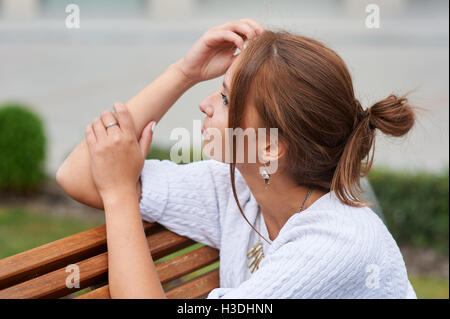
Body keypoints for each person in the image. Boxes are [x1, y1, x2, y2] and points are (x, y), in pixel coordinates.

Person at [56, 18, 418, 298]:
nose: (205, 103)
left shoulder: (334, 247)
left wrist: (120, 193)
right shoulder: (241, 186)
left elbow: (107, 183)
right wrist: (184, 72)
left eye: (226, 99)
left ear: (270, 147)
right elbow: (76, 174)